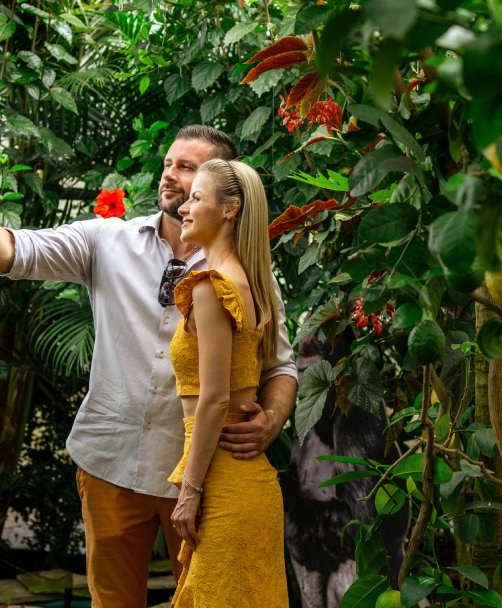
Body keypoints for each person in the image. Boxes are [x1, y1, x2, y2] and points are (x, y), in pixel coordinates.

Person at [0, 125, 297, 607]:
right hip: (111, 463)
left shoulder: (248, 274)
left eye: (187, 169)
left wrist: (271, 421)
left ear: (220, 186)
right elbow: (14, 250)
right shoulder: (108, 239)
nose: (169, 175)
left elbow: (280, 367)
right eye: (168, 164)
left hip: (203, 476)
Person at [165, 158, 286, 606]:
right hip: (242, 481)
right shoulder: (249, 283)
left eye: (196, 197)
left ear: (230, 209)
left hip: (224, 487)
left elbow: (215, 400)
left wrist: (191, 491)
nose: (184, 208)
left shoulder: (211, 286)